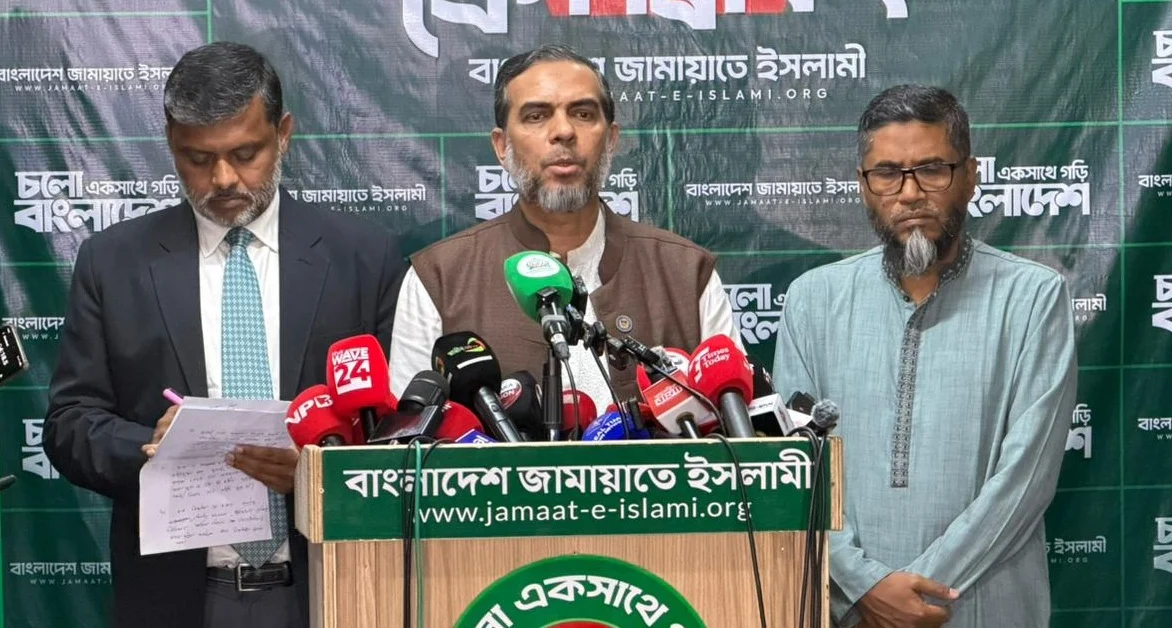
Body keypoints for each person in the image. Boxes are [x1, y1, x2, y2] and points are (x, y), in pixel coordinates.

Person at [43, 42, 405, 628]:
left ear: (283, 134)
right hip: (176, 599)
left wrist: (319, 471)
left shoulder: (363, 257)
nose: (223, 179)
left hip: (333, 588)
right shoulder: (113, 263)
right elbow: (70, 424)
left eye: (245, 153)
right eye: (197, 158)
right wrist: (151, 448)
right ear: (171, 143)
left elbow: (405, 428)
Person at [772, 85, 1077, 628]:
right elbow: (795, 468)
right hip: (847, 610)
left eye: (932, 169)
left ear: (970, 175)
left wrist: (917, 595)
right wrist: (865, 587)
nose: (910, 193)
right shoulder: (812, 300)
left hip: (982, 607)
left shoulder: (1032, 297)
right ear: (864, 185)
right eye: (888, 173)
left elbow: (1026, 479)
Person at [389, 44, 740, 409]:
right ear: (502, 146)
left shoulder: (686, 273)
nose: (563, 131)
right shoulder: (440, 279)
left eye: (583, 114)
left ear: (612, 139)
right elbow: (409, 438)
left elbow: (740, 431)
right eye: (536, 116)